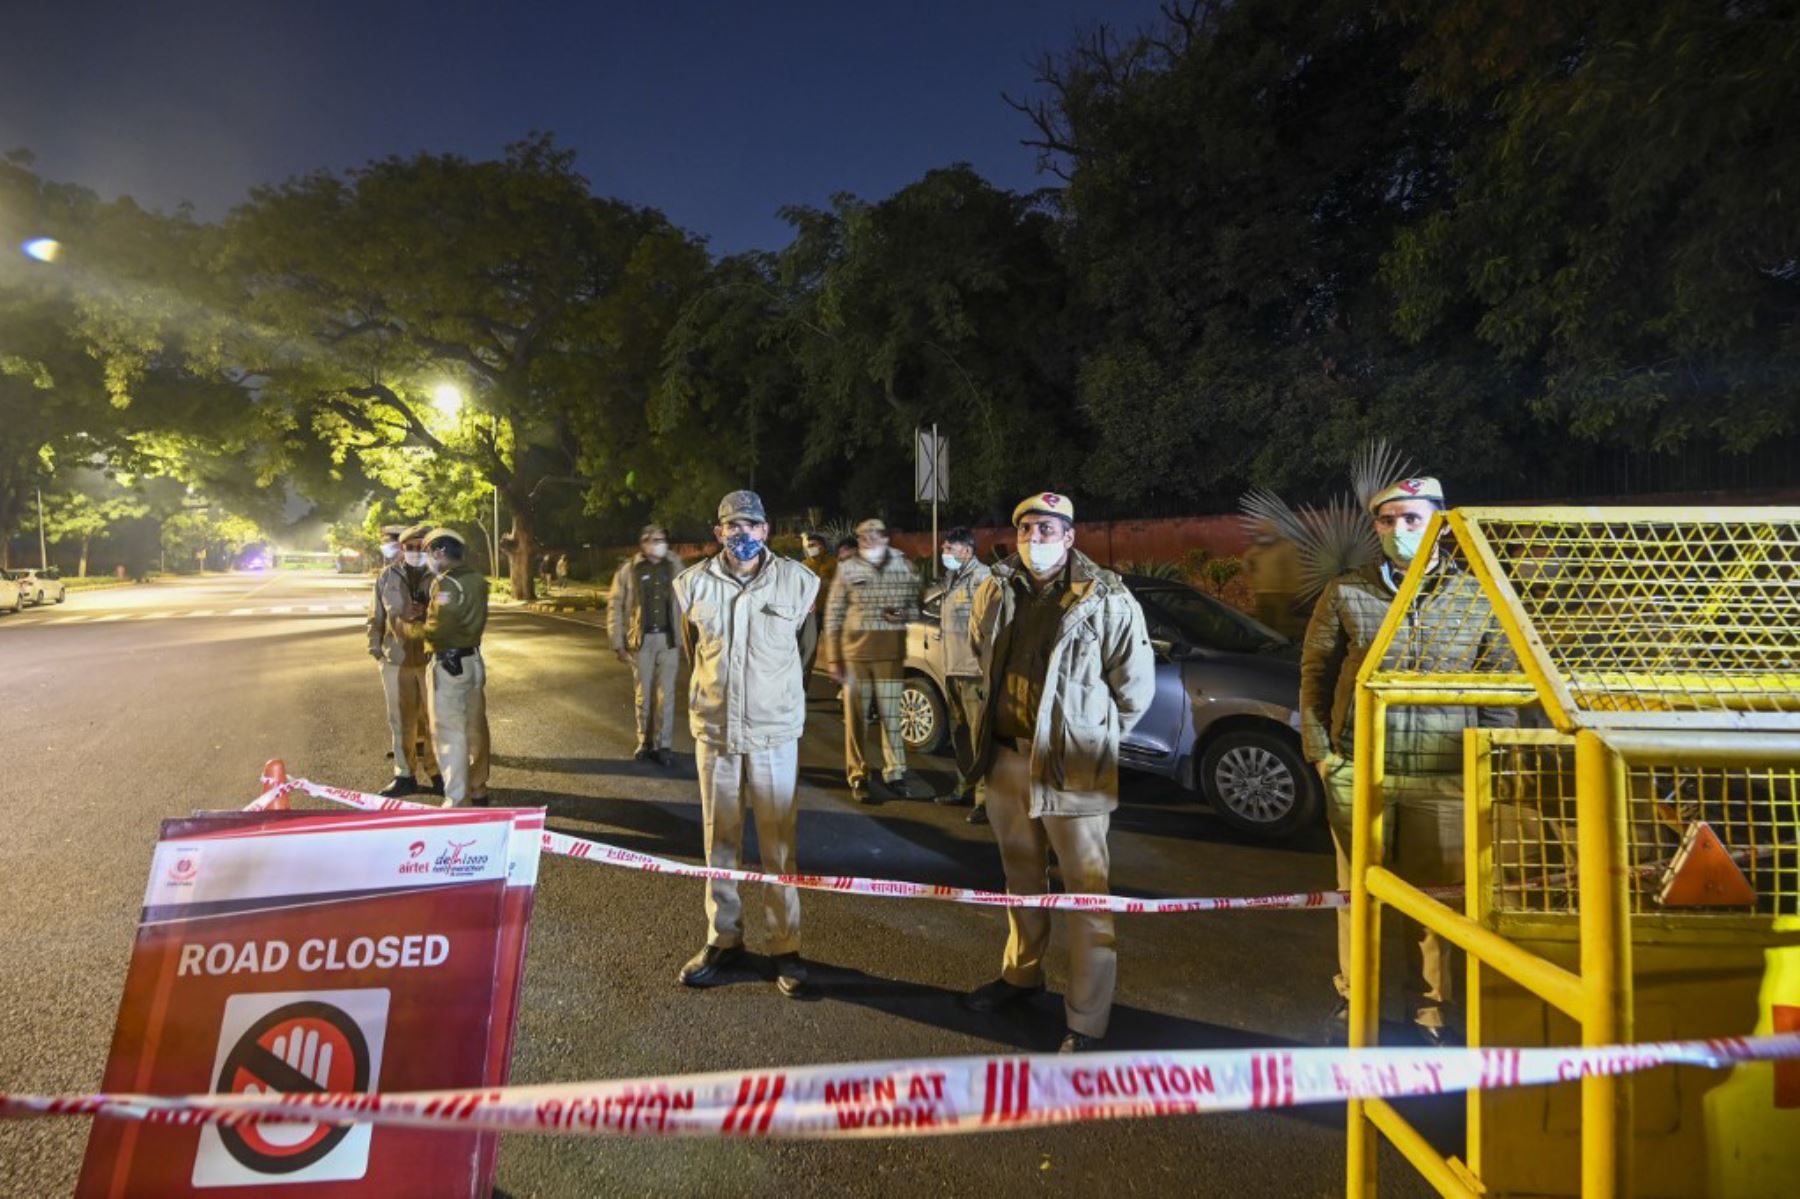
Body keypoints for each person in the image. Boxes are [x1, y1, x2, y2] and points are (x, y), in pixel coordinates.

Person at [1299, 476, 1516, 1047]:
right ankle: (1358, 1003)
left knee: (1435, 906)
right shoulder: (1347, 591)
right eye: (1387, 520)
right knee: (1356, 898)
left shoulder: (1478, 595)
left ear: (1440, 523)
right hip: (1358, 770)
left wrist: (1488, 763)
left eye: (1412, 519)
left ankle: (1433, 1015)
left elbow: (1501, 688)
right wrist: (1322, 752)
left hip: (1443, 774)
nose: (1399, 530)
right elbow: (1316, 672)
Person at [962, 492, 1156, 1054]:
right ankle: (1021, 975)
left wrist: (1089, 739)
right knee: (1021, 881)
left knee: (1086, 894)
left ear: (1070, 537)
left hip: (1073, 767)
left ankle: (1087, 1019)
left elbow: (1134, 691)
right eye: (1026, 528)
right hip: (1007, 760)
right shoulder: (996, 589)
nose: (1034, 539)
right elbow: (983, 652)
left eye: (1047, 529)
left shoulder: (1108, 599)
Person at [673, 490, 820, 998]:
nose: (742, 534)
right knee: (721, 841)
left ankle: (786, 946)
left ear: (766, 529)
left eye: (752, 525)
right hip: (716, 733)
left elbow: (805, 653)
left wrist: (771, 699)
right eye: (732, 526)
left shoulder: (799, 583)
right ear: (718, 532)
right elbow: (695, 653)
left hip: (775, 733)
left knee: (781, 844)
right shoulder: (690, 586)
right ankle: (724, 939)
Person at [823, 518, 922, 803]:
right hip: (855, 655)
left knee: (892, 717)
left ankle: (896, 773)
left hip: (889, 653)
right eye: (863, 537)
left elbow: (916, 606)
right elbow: (833, 614)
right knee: (856, 720)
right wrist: (833, 659)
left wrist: (902, 615)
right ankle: (858, 775)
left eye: (874, 536)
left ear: (885, 538)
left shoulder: (902, 566)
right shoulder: (848, 569)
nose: (869, 541)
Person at [401, 528, 491, 808]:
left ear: (440, 552)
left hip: (449, 666)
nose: (428, 558)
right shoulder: (476, 579)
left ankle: (456, 801)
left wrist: (411, 628)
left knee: (450, 735)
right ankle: (478, 789)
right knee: (476, 729)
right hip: (473, 660)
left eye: (429, 552)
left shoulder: (446, 585)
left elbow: (439, 630)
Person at [366, 523, 440, 797]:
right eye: (410, 547)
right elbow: (376, 616)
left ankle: (437, 772)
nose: (415, 552)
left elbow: (453, 617)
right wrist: (376, 650)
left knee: (435, 719)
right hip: (395, 659)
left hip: (431, 659)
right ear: (402, 549)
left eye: (422, 548)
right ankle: (404, 774)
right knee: (400, 720)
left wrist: (425, 614)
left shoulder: (439, 577)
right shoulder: (387, 577)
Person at [608, 524, 685, 766]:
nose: (658, 543)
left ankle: (664, 745)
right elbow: (615, 607)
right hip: (640, 642)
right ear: (643, 543)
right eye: (653, 539)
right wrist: (617, 642)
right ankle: (644, 741)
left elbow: (691, 601)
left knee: (667, 695)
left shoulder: (675, 566)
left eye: (662, 539)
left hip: (668, 640)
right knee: (643, 695)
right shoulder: (628, 570)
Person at [934, 527, 991, 823]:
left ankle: (985, 800)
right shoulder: (952, 577)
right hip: (952, 668)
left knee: (978, 737)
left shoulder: (983, 579)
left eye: (949, 549)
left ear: (966, 551)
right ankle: (964, 789)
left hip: (974, 672)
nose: (944, 554)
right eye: (944, 548)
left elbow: (991, 627)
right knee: (960, 737)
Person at [1243, 520, 1303, 639]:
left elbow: (1294, 570)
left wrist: (1294, 591)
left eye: (1264, 533)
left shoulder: (1286, 547)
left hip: (1281, 593)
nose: (1261, 536)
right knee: (1263, 625)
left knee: (1281, 626)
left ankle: (1283, 649)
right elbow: (1246, 563)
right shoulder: (1257, 549)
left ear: (1273, 532)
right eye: (1259, 533)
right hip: (1261, 592)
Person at [797, 531, 836, 676]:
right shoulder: (804, 565)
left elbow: (840, 585)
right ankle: (802, 688)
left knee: (834, 648)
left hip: (830, 612)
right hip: (810, 613)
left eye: (814, 545)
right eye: (809, 545)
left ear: (823, 547)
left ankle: (841, 686)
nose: (811, 548)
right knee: (808, 649)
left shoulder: (833, 563)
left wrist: (828, 583)